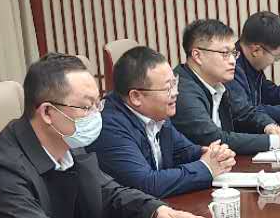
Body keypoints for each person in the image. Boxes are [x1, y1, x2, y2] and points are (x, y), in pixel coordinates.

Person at [0, 55, 212, 218]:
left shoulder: (67, 141)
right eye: (86, 107)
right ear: (48, 112)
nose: (96, 115)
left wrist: (158, 211)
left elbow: (108, 191)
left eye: (97, 104)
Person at [91, 45, 237, 198]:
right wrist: (206, 168)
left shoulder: (157, 114)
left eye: (175, 83)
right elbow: (147, 184)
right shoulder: (109, 127)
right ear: (136, 97)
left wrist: (211, 154)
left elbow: (182, 151)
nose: (176, 92)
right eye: (168, 88)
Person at [174, 19, 280, 156]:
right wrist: (277, 141)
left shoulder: (217, 81)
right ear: (197, 56)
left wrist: (268, 126)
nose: (232, 61)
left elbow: (243, 112)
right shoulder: (182, 90)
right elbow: (214, 139)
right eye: (225, 53)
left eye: (233, 53)